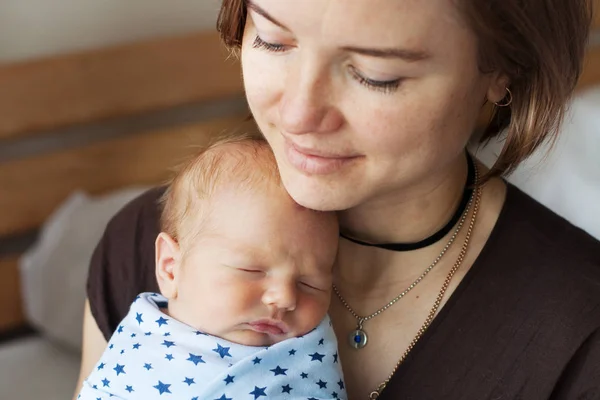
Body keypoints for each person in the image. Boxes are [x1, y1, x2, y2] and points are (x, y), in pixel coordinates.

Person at [75, 1, 600, 399]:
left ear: (504, 69)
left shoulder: (577, 338)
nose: (300, 114)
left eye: (376, 75)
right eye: (274, 42)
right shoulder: (151, 241)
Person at [76, 137, 345, 399]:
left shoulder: (306, 361)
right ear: (170, 268)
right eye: (252, 271)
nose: (285, 297)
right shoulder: (137, 345)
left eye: (310, 284)